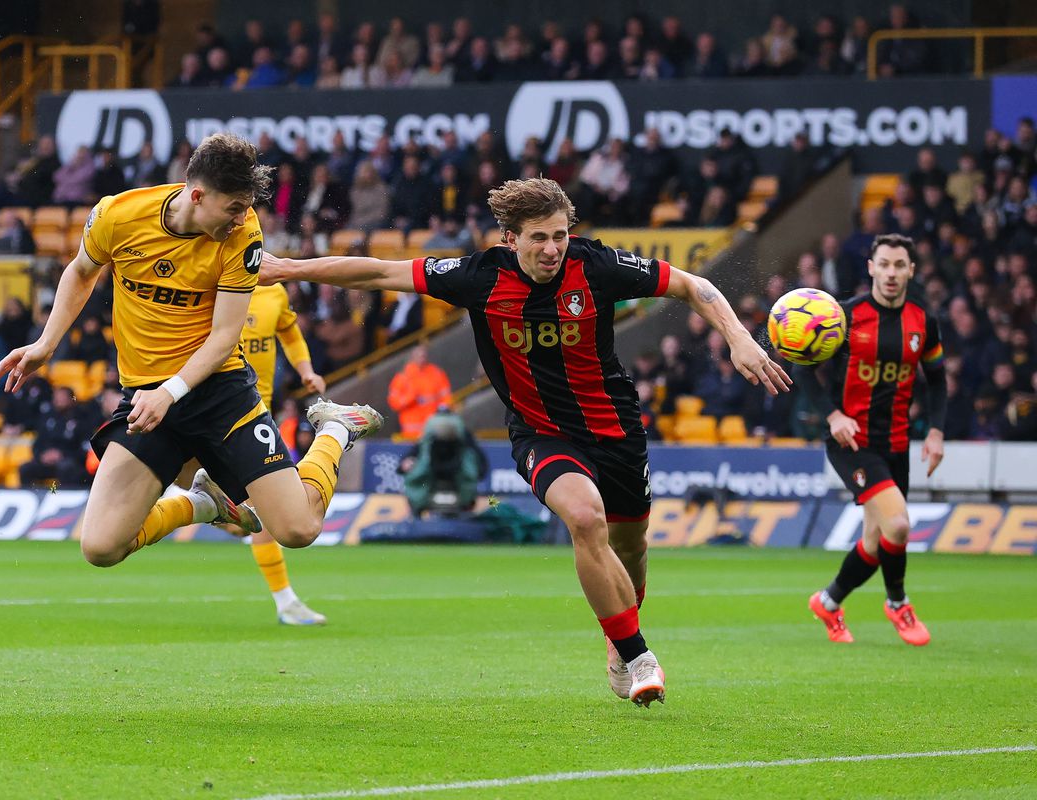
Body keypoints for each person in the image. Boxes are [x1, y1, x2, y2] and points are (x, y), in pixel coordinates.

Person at [259, 177, 790, 707]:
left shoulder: (595, 266)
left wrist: (740, 337)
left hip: (616, 429)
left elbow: (693, 285)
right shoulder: (479, 276)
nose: (552, 248)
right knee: (585, 518)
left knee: (631, 547)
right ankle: (637, 653)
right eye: (539, 237)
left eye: (560, 235)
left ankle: (617, 634)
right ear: (510, 238)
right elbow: (378, 272)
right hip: (541, 432)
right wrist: (287, 267)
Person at [0, 132, 383, 574]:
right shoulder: (117, 215)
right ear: (196, 195)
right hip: (146, 398)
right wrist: (46, 343)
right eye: (233, 207)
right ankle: (202, 503)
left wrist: (170, 392)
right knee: (99, 548)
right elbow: (82, 271)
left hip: (218, 394)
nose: (241, 218)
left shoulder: (242, 235)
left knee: (298, 530)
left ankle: (333, 430)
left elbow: (223, 337)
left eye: (245, 207)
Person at [797, 234, 945, 646]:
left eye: (900, 265)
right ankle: (898, 603)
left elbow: (937, 379)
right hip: (851, 442)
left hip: (896, 444)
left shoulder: (922, 321)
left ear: (911, 270)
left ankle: (828, 602)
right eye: (885, 264)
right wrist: (833, 414)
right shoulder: (846, 316)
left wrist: (935, 430)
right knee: (898, 524)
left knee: (875, 541)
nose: (892, 273)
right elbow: (805, 368)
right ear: (871, 267)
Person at [211, 282, 331, 625]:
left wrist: (306, 371)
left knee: (259, 514)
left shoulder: (275, 294)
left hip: (256, 413)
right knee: (258, 512)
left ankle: (285, 601)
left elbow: (290, 335)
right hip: (214, 409)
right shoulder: (213, 286)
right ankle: (194, 503)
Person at [387, 344, 451, 439]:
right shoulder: (403, 376)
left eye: (424, 355)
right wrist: (410, 398)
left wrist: (443, 409)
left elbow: (446, 395)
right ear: (412, 357)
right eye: (419, 355)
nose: (422, 358)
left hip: (433, 424)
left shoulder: (436, 373)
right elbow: (393, 402)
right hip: (412, 429)